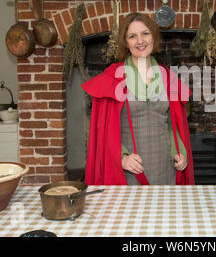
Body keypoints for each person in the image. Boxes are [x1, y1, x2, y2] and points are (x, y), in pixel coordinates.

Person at [81, 12, 195, 185]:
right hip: (130, 172)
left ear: (154, 38)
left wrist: (180, 152)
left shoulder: (168, 77)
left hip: (166, 168)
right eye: (132, 36)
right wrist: (122, 157)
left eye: (145, 34)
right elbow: (103, 131)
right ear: (126, 42)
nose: (140, 41)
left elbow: (172, 125)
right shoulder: (112, 78)